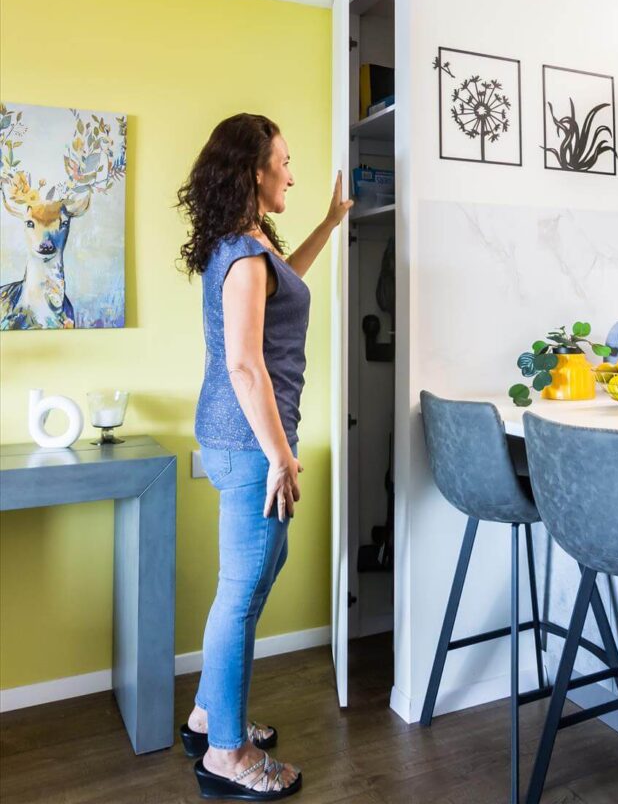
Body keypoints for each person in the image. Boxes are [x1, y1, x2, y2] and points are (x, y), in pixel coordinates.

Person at [176, 113, 352, 800]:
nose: (292, 175)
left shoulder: (250, 247)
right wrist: (280, 455)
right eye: (284, 161)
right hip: (252, 443)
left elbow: (287, 285)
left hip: (244, 440)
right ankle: (227, 752)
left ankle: (209, 714)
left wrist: (331, 223)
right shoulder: (244, 255)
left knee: (253, 578)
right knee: (242, 591)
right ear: (255, 171)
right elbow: (246, 366)